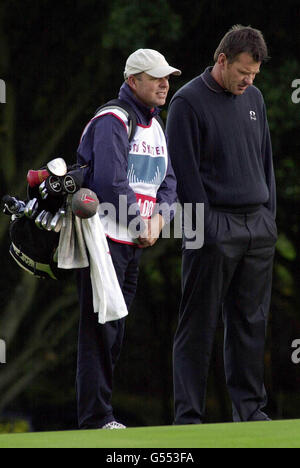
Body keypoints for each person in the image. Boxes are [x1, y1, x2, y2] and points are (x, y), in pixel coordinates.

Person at [166, 25, 277, 424]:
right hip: (209, 227)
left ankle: (250, 411)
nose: (249, 81)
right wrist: (206, 229)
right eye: (243, 72)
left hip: (256, 228)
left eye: (254, 75)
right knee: (198, 324)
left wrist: (269, 218)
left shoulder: (256, 99)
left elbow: (265, 161)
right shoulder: (187, 102)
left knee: (250, 322)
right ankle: (188, 418)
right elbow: (184, 174)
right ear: (223, 59)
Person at [76, 49, 181, 429]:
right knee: (100, 331)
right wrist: (142, 225)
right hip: (103, 241)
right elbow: (109, 182)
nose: (164, 83)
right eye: (155, 77)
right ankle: (95, 419)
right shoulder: (111, 119)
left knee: (115, 330)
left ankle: (100, 415)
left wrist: (159, 222)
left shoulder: (156, 125)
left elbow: (169, 184)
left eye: (166, 76)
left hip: (133, 243)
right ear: (133, 81)